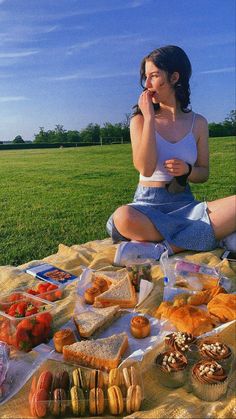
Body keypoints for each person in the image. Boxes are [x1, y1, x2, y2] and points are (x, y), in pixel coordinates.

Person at [106, 45, 236, 266]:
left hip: (186, 206)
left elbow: (203, 173)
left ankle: (166, 248)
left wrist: (188, 170)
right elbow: (145, 169)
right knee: (123, 217)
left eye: (154, 76)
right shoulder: (139, 121)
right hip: (147, 207)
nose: (147, 85)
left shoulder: (199, 123)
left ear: (175, 77)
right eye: (145, 77)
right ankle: (209, 236)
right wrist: (148, 118)